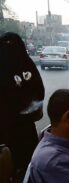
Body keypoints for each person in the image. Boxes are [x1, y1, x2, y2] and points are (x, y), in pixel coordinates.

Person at [0, 32, 45, 174]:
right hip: (25, 119)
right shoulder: (27, 63)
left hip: (5, 120)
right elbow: (39, 89)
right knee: (26, 150)